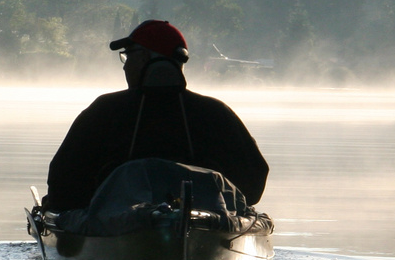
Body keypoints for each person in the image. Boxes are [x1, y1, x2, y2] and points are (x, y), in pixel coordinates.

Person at [43, 20, 268, 212]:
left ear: (144, 58)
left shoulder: (104, 110)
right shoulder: (216, 113)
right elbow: (253, 184)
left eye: (127, 57)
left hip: (115, 228)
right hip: (204, 226)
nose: (125, 66)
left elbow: (62, 183)